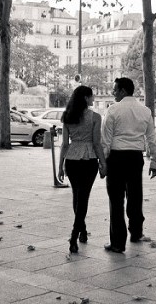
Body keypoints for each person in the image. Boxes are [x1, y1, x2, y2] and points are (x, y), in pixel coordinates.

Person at [101, 77, 156, 253]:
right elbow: (151, 138)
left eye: (115, 90)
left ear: (123, 91)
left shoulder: (112, 110)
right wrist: (154, 161)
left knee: (116, 200)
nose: (113, 93)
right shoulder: (145, 111)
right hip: (136, 157)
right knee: (135, 195)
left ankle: (118, 243)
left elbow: (106, 140)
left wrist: (103, 163)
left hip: (117, 158)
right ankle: (136, 232)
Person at [58, 85, 106, 254]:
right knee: (84, 197)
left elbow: (64, 144)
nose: (93, 99)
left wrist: (60, 167)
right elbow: (96, 143)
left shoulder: (67, 116)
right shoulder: (95, 117)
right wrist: (103, 163)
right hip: (89, 159)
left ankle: (82, 231)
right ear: (86, 98)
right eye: (92, 96)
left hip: (71, 159)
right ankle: (74, 235)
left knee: (76, 196)